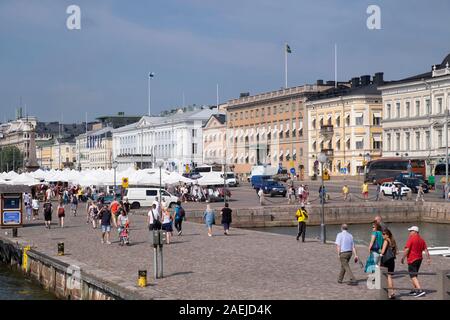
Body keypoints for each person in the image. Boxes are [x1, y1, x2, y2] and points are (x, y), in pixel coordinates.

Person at [401, 226, 431, 297]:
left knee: (413, 276)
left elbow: (407, 249)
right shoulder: (421, 239)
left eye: (411, 231)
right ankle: (415, 290)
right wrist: (428, 258)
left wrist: (403, 258)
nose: (409, 232)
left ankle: (420, 290)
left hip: (412, 259)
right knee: (415, 274)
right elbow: (426, 250)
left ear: (415, 232)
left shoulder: (411, 239)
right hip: (419, 259)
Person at [380, 228, 398, 299]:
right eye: (382, 234)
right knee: (390, 276)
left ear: (387, 235)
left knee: (388, 277)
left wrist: (380, 251)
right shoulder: (392, 241)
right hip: (391, 260)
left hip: (386, 260)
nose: (382, 235)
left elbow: (383, 251)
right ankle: (392, 292)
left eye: (384, 234)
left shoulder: (386, 241)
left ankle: (392, 292)